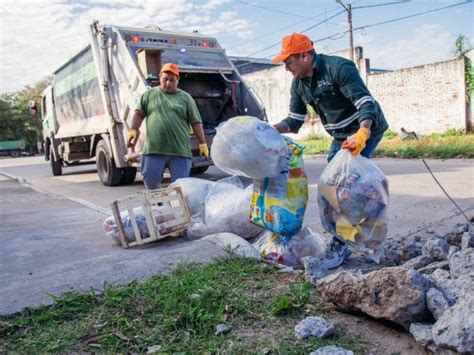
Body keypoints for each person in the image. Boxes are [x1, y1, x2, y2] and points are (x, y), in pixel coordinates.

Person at [272, 33, 389, 269]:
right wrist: (269, 129)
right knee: (329, 188)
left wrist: (363, 132)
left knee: (346, 188)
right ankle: (351, 231)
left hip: (363, 131)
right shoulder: (299, 83)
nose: (286, 68)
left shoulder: (338, 68)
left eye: (288, 61)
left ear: (304, 55)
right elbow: (295, 120)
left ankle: (347, 242)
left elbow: (366, 103)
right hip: (340, 138)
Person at [127, 63, 209, 190]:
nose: (168, 83)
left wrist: (202, 143)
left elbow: (196, 122)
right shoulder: (149, 95)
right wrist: (133, 130)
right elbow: (138, 114)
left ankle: (180, 209)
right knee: (151, 182)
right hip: (154, 150)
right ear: (160, 77)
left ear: (178, 80)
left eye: (172, 80)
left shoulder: (186, 98)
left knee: (181, 188)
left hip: (179, 151)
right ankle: (158, 208)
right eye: (165, 79)